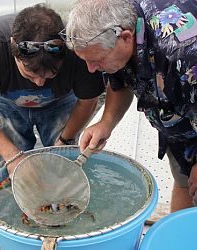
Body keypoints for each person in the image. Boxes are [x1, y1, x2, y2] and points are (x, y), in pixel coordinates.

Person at [63, 0, 197, 212]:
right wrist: (105, 123)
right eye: (86, 61)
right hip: (179, 125)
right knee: (185, 181)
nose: (90, 69)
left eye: (97, 60)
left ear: (126, 37)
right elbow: (120, 79)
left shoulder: (183, 50)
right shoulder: (115, 35)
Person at [0, 4, 105, 177]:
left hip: (60, 102)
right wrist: (12, 155)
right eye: (30, 73)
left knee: (65, 164)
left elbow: (87, 101)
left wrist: (65, 139)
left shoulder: (77, 49)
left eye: (50, 75)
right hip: (8, 104)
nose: (39, 83)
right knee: (11, 166)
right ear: (13, 50)